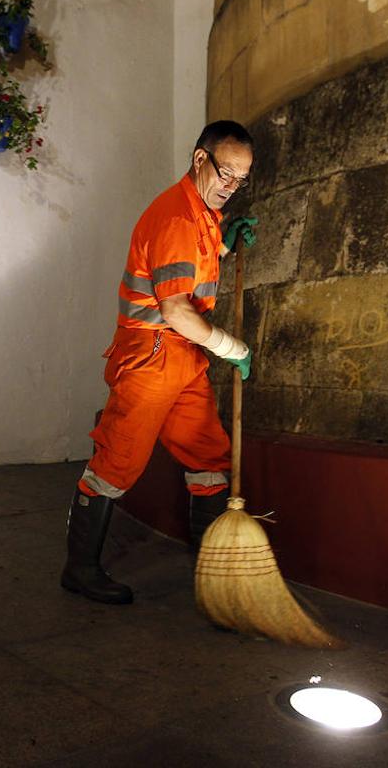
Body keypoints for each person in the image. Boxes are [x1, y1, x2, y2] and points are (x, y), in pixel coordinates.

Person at [62, 120, 259, 604]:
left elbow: (192, 264)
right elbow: (174, 308)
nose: (231, 188)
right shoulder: (175, 217)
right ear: (199, 160)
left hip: (184, 356)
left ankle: (208, 561)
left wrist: (226, 243)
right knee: (117, 462)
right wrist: (233, 348)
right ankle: (80, 569)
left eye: (242, 179)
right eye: (226, 174)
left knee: (208, 453)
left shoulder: (200, 213)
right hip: (152, 353)